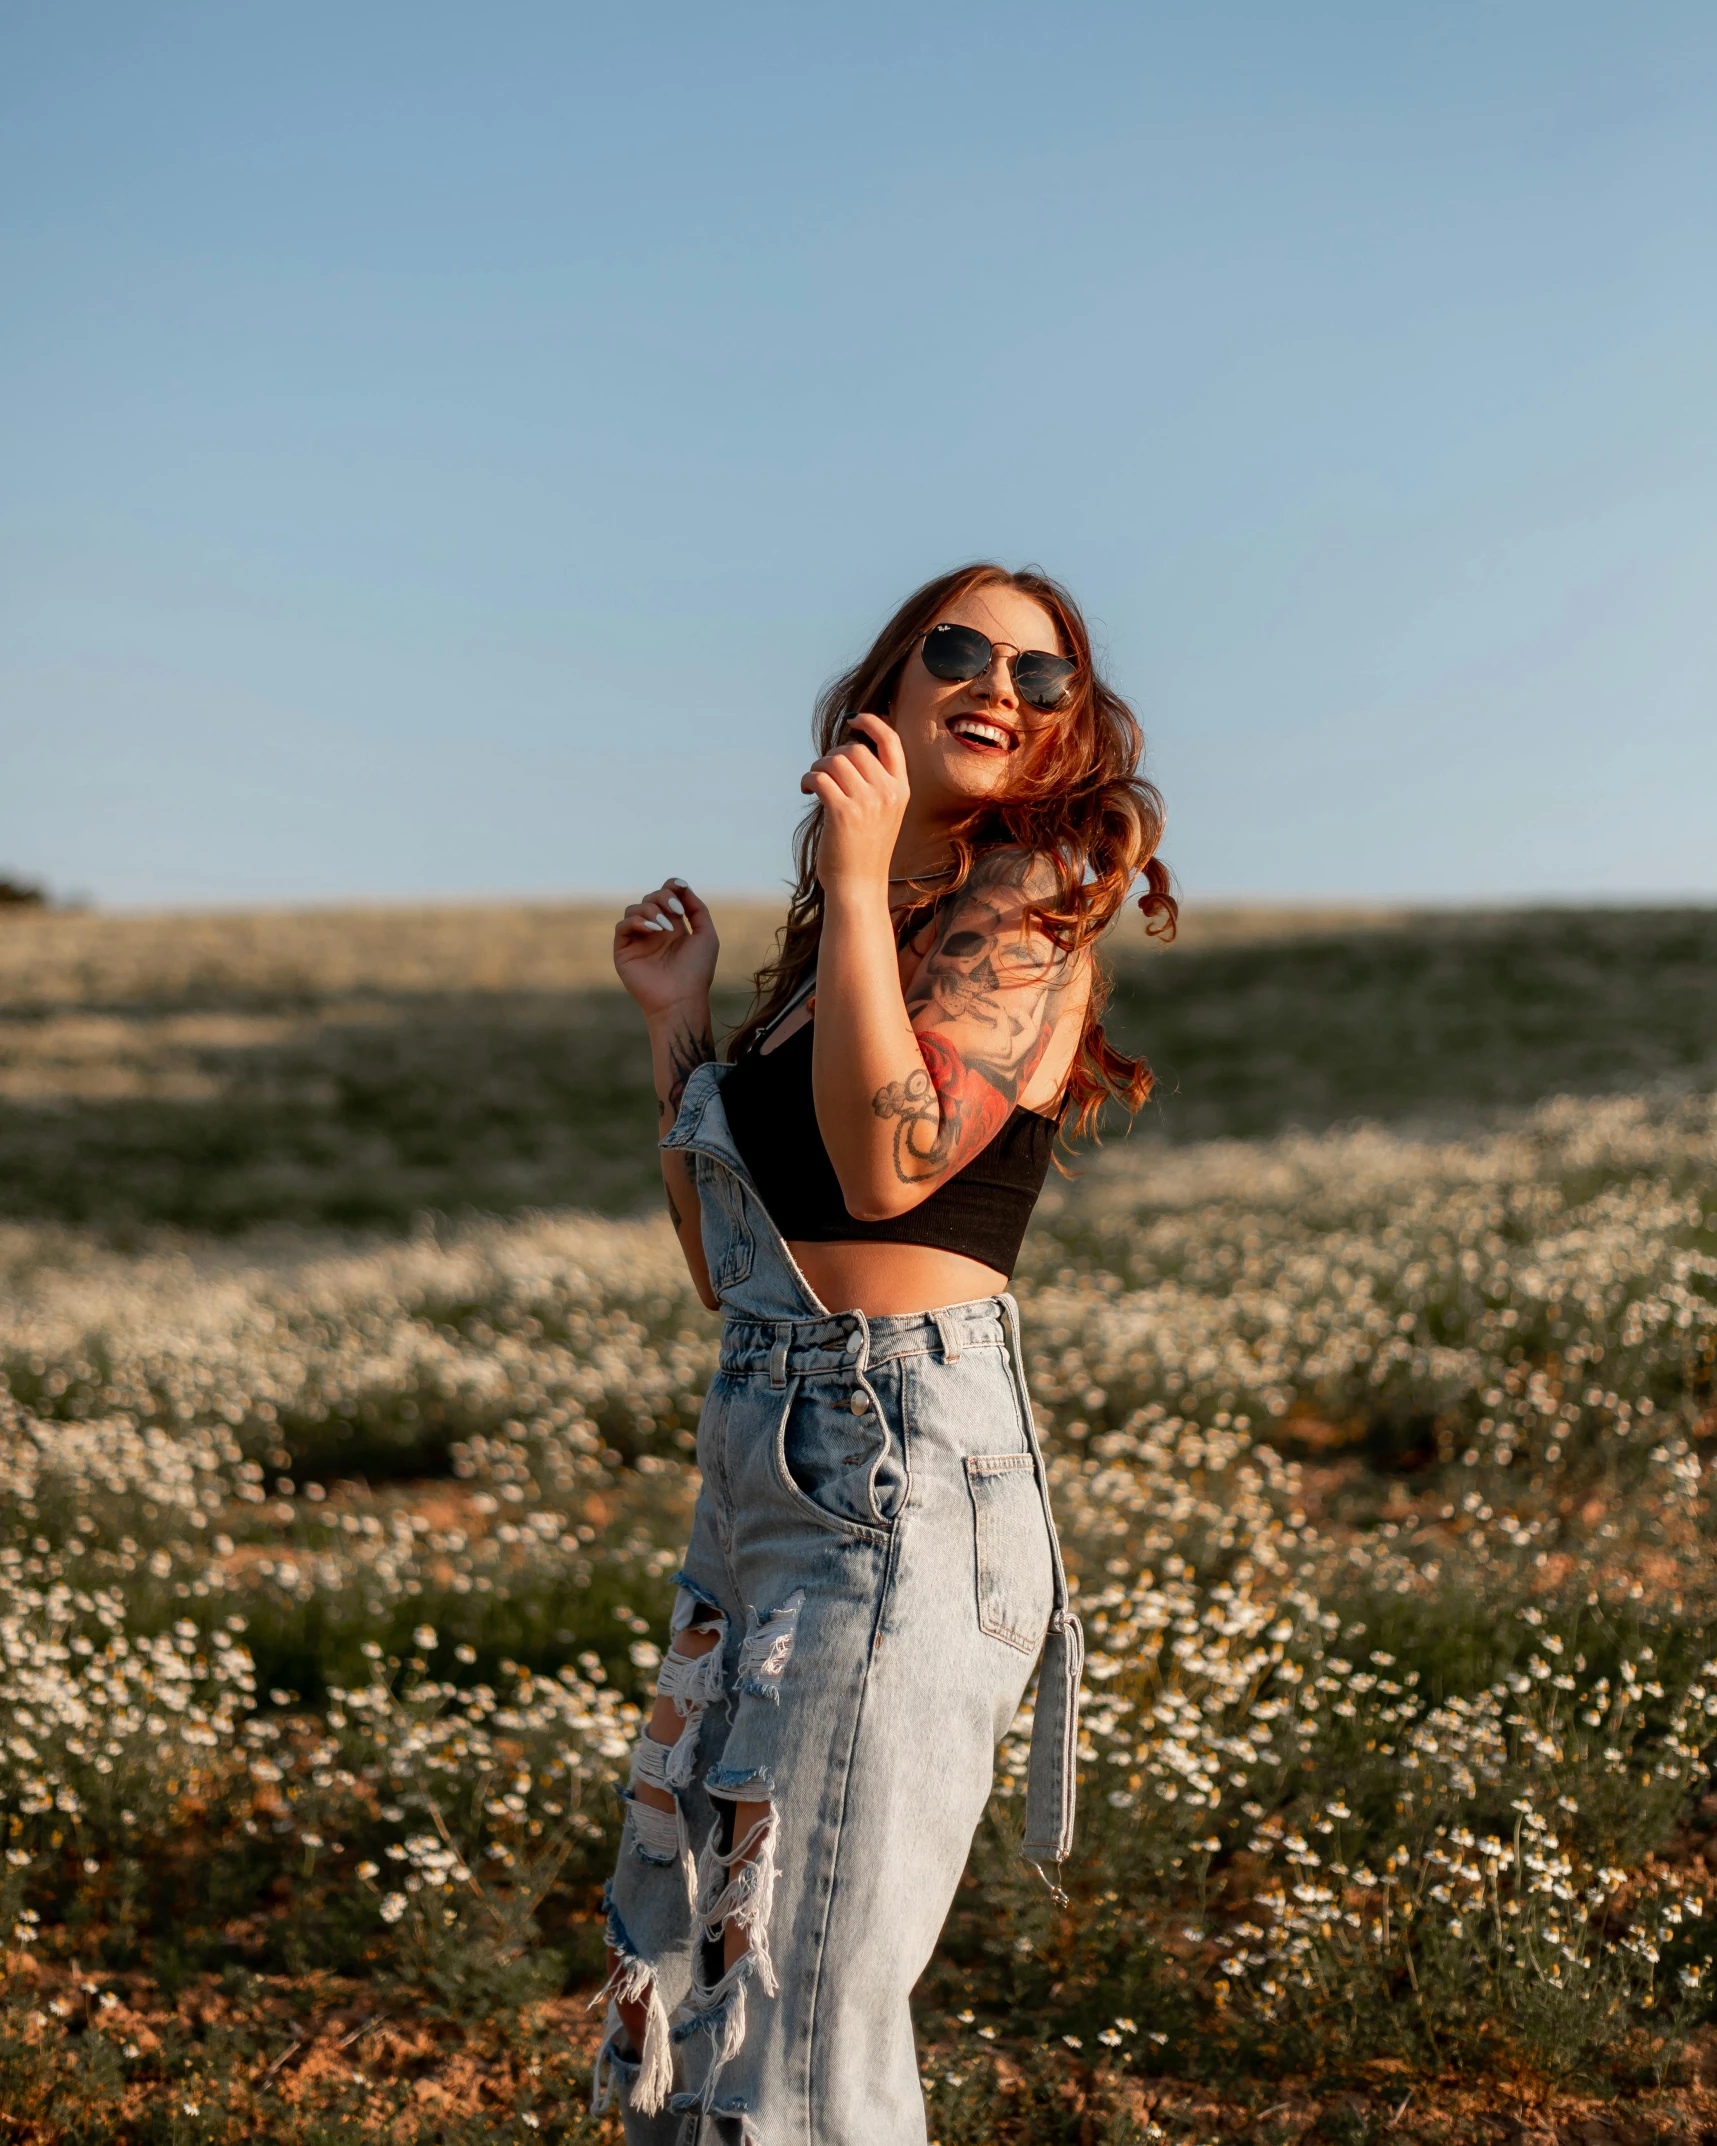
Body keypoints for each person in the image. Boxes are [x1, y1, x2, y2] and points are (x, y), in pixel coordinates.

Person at [594, 562, 1175, 2145]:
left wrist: (855, 888)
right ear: (889, 685)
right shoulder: (853, 942)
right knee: (705, 1969)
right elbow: (732, 1263)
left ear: (1067, 735)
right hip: (768, 1460)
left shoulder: (1033, 906)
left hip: (904, 1469)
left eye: (1043, 676)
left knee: (805, 2018)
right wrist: (680, 1020)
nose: (1000, 684)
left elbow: (891, 1162)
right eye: (961, 650)